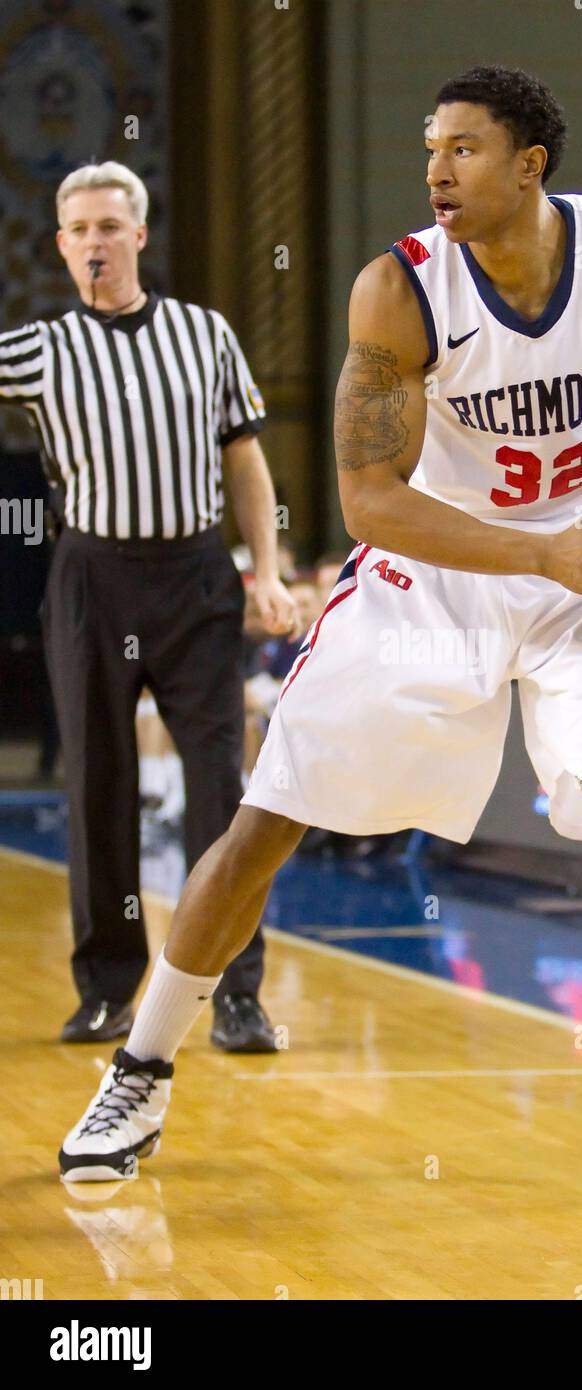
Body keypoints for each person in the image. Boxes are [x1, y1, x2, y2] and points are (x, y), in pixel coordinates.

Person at [60, 69, 582, 1199]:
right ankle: (142, 1067)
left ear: (528, 164)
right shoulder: (399, 289)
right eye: (427, 148)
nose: (435, 169)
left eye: (462, 147)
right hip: (434, 578)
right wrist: (532, 551)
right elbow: (369, 500)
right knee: (264, 821)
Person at [0, 161, 297, 1051]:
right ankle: (105, 989)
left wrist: (270, 572)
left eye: (108, 226)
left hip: (197, 578)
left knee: (222, 789)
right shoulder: (42, 347)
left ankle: (235, 993)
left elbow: (245, 458)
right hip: (92, 579)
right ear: (60, 246)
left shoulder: (204, 335)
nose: (94, 241)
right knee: (97, 783)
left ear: (138, 235)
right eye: (78, 229)